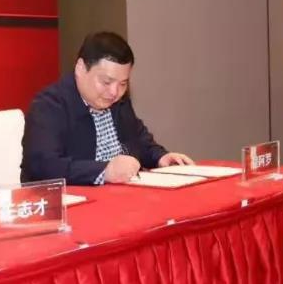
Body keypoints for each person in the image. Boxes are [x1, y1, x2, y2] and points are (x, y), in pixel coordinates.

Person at [21, 31, 194, 185]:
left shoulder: (119, 101)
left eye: (123, 84)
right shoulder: (49, 105)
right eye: (106, 82)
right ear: (80, 68)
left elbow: (139, 139)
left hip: (122, 196)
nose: (114, 92)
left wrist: (161, 157)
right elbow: (43, 165)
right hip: (75, 202)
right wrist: (104, 171)